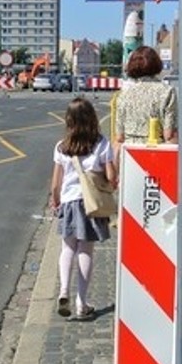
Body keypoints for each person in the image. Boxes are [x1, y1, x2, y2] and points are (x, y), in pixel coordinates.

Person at [50, 97, 116, 322]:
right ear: (92, 119)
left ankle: (63, 291)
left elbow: (56, 182)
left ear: (68, 120)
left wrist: (55, 200)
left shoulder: (61, 146)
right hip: (91, 205)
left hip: (68, 203)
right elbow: (111, 176)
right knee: (86, 250)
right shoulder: (101, 143)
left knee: (67, 247)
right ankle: (82, 302)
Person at [114, 45, 177, 147]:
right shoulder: (167, 92)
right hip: (156, 152)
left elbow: (119, 137)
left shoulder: (124, 94)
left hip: (129, 153)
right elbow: (169, 135)